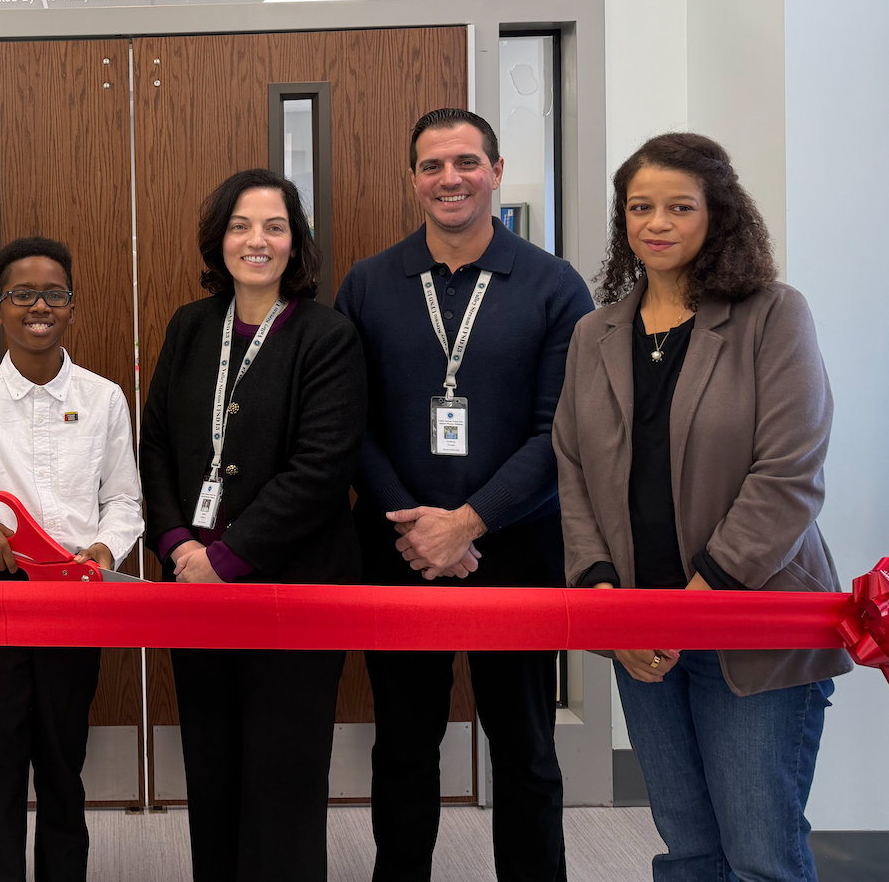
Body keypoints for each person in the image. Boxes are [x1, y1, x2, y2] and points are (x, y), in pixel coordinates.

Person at [555, 133, 850, 882]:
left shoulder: (772, 315)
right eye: (640, 208)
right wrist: (605, 604)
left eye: (679, 207)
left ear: (717, 215)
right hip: (640, 633)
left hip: (750, 626)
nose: (657, 223)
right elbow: (574, 472)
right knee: (687, 852)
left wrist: (698, 601)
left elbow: (789, 474)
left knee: (759, 855)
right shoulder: (595, 333)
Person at [336, 108, 591, 882]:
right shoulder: (370, 283)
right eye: (433, 166)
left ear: (497, 170)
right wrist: (420, 529)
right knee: (405, 745)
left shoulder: (553, 285)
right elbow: (350, 423)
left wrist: (470, 522)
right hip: (396, 548)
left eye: (467, 163)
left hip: (516, 548)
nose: (451, 179)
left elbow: (561, 432)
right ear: (413, 178)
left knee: (525, 745)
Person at [140, 168, 366, 882]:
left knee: (285, 774)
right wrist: (177, 541)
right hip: (196, 594)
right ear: (220, 239)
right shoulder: (189, 325)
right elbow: (157, 447)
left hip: (293, 594)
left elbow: (321, 470)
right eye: (241, 226)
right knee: (212, 769)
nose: (256, 241)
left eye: (273, 226)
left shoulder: (327, 337)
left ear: (295, 242)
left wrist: (226, 556)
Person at [0, 236, 144, 882]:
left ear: (72, 308)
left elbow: (126, 503)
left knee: (61, 767)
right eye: (23, 295)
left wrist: (104, 549)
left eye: (54, 294)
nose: (39, 306)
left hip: (76, 608)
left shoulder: (105, 399)